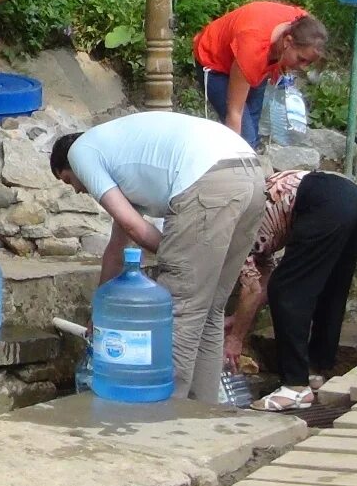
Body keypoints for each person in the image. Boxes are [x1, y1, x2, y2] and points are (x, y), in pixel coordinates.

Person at [51, 112, 266, 403]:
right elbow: (119, 246)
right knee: (210, 310)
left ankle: (166, 420)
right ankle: (202, 415)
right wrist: (99, 312)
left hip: (207, 176)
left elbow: (134, 226)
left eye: (68, 180)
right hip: (250, 173)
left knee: (177, 309)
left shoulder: (81, 153)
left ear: (70, 164)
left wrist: (179, 257)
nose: (76, 189)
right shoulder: (122, 156)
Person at [222, 170, 357, 412]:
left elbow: (252, 289)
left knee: (287, 291)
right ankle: (316, 370)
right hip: (354, 198)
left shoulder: (235, 236)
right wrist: (239, 319)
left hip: (325, 202)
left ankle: (295, 387)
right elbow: (263, 282)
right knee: (330, 287)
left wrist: (235, 338)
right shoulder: (250, 218)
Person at [192, 2, 328, 146]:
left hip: (258, 56)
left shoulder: (303, 25)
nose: (303, 68)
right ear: (287, 41)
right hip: (214, 60)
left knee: (253, 124)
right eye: (301, 59)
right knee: (246, 138)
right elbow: (234, 113)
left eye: (308, 63)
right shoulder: (252, 50)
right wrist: (239, 152)